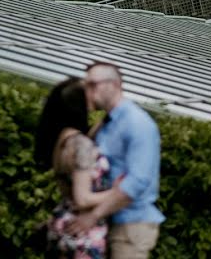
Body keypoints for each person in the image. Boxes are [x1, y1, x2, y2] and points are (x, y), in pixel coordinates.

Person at [66, 62, 164, 258]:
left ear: (115, 85)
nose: (88, 91)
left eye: (93, 84)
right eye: (86, 86)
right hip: (109, 219)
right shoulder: (108, 122)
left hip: (131, 225)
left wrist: (93, 216)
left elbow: (137, 183)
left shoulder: (138, 123)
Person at [34, 77, 121, 259]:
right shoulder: (81, 145)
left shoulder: (62, 140)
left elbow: (85, 145)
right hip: (82, 233)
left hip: (63, 225)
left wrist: (108, 116)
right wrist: (119, 192)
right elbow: (82, 198)